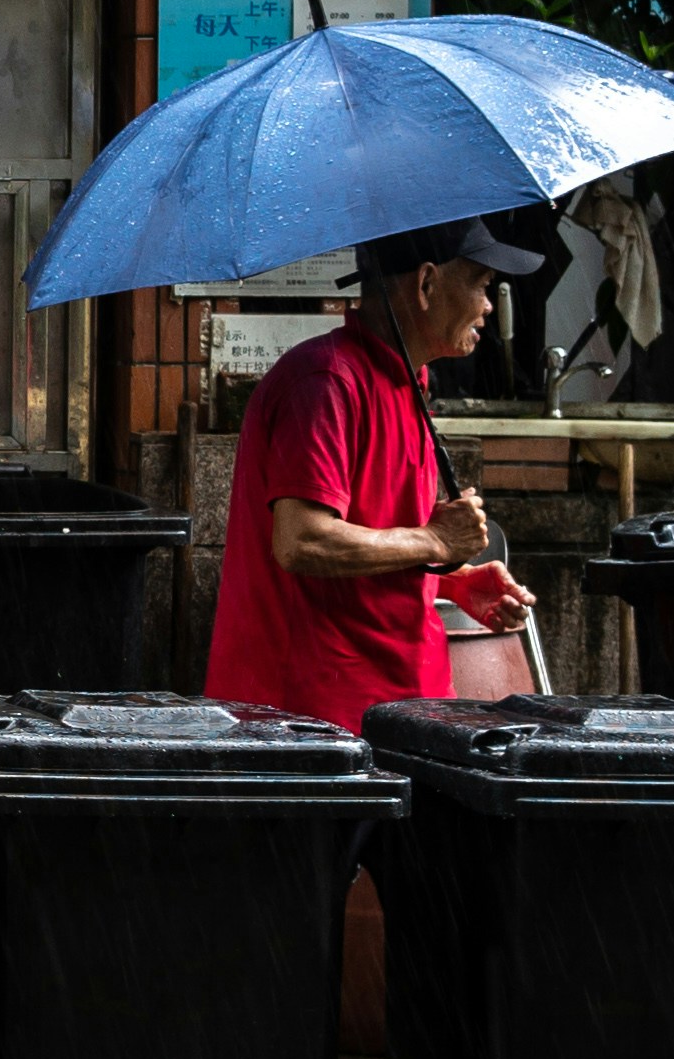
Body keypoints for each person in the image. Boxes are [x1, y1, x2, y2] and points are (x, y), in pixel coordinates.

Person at [205, 213, 548, 728]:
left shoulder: (409, 381)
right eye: (481, 286)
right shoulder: (324, 381)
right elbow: (302, 541)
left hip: (405, 706)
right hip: (317, 719)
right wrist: (435, 541)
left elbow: (379, 535)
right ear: (427, 283)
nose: (486, 308)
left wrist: (454, 582)